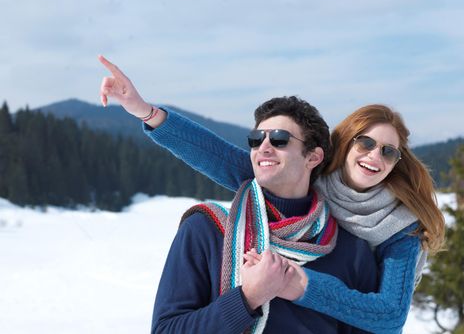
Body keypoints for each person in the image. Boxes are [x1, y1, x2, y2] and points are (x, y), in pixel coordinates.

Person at [98, 55, 445, 333]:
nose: (374, 156)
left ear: (313, 156)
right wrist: (147, 112)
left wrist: (298, 283)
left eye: (388, 151)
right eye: (366, 143)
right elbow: (218, 157)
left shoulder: (387, 235)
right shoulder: (206, 232)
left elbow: (388, 318)